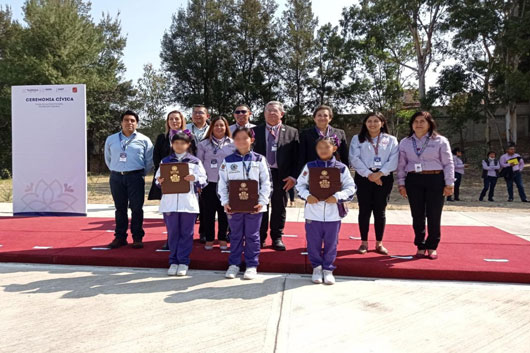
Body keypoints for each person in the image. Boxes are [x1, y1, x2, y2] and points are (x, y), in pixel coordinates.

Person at [296, 136, 356, 285]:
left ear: (334, 148)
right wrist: (307, 195)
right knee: (313, 242)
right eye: (320, 147)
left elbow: (351, 187)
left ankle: (328, 269)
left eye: (327, 147)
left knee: (331, 242)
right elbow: (299, 185)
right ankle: (316, 268)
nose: (323, 150)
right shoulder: (310, 166)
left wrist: (337, 197)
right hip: (313, 212)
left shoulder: (341, 168)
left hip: (333, 213)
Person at [397, 111, 454, 260]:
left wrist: (449, 183)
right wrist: (401, 184)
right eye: (415, 121)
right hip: (413, 180)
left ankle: (432, 246)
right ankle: (420, 245)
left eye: (422, 121)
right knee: (417, 215)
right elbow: (401, 165)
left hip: (435, 179)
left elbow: (448, 163)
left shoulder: (440, 141)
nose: (419, 124)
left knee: (434, 214)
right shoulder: (405, 142)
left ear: (430, 123)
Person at [218, 128, 272, 280]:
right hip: (234, 206)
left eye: (245, 138)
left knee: (252, 236)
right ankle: (234, 264)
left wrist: (262, 202)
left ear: (252, 140)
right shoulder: (228, 161)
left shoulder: (259, 159)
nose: (241, 141)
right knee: (235, 235)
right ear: (233, 141)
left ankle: (251, 265)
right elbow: (222, 183)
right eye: (237, 138)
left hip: (255, 207)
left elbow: (266, 183)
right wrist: (225, 202)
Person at [155, 130, 208, 276]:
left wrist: (195, 178)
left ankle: (183, 261)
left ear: (188, 144)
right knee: (173, 233)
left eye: (182, 143)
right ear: (172, 144)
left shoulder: (195, 161)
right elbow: (157, 179)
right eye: (176, 143)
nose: (179, 145)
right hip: (170, 203)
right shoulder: (165, 161)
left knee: (186, 233)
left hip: (188, 203)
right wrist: (160, 181)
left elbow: (204, 179)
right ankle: (173, 261)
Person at [252, 101, 299, 251]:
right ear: (264, 113)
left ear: (282, 114)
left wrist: (293, 176)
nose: (272, 113)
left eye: (275, 111)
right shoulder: (254, 131)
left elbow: (297, 157)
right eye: (268, 111)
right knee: (260, 206)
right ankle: (260, 237)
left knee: (279, 207)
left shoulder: (292, 132)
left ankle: (277, 237)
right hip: (260, 174)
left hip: (282, 175)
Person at [349, 112, 398, 255]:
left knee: (380, 210)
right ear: (365, 123)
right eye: (369, 121)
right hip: (364, 177)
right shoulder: (357, 139)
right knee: (364, 210)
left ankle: (379, 243)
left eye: (376, 121)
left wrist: (380, 174)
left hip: (384, 177)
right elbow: (354, 158)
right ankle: (364, 242)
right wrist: (369, 174)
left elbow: (394, 160)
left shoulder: (391, 140)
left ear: (382, 123)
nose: (372, 124)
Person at [104, 110, 154, 249]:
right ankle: (120, 237)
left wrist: (139, 173)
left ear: (137, 123)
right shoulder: (111, 139)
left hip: (135, 177)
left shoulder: (144, 140)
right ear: (121, 122)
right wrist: (117, 169)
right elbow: (108, 158)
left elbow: (149, 161)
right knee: (120, 208)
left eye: (132, 120)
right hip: (116, 177)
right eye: (126, 120)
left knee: (137, 208)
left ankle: (137, 237)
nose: (129, 123)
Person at [196, 116, 235, 250]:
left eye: (222, 125)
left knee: (224, 212)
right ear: (211, 127)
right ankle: (210, 238)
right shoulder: (203, 144)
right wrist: (199, 183)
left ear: (226, 128)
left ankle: (223, 238)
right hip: (209, 183)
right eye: (216, 125)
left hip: (227, 184)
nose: (219, 128)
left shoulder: (232, 143)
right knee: (208, 213)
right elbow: (198, 164)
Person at [298, 105, 349, 173]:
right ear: (314, 118)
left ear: (330, 118)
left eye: (325, 115)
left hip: (334, 171)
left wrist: (346, 171)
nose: (322, 118)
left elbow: (344, 156)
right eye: (319, 115)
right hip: (313, 171)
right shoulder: (305, 134)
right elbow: (301, 156)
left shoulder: (340, 133)